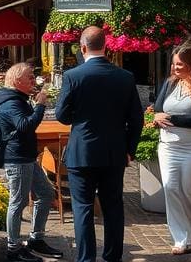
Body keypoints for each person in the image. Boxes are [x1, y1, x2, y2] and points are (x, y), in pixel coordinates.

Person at [55, 26, 143, 262]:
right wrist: (129, 150)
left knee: (82, 208)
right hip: (114, 153)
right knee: (113, 207)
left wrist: (79, 114)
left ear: (83, 48)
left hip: (82, 152)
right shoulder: (125, 77)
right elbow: (136, 119)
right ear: (106, 46)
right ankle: (112, 257)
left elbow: (62, 115)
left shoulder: (73, 76)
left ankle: (86, 259)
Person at [0, 62, 62, 261]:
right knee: (18, 202)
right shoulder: (11, 102)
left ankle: (36, 238)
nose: (34, 80)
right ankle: (13, 248)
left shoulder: (17, 98)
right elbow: (25, 126)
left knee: (46, 193)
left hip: (27, 157)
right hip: (18, 159)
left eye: (34, 76)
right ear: (17, 81)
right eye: (30, 77)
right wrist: (40, 104)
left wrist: (33, 102)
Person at [152, 46, 191, 254]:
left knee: (189, 190)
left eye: (180, 64)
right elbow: (158, 107)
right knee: (170, 188)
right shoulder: (169, 83)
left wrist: (169, 119)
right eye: (174, 63)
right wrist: (158, 117)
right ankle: (182, 238)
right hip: (168, 145)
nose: (175, 67)